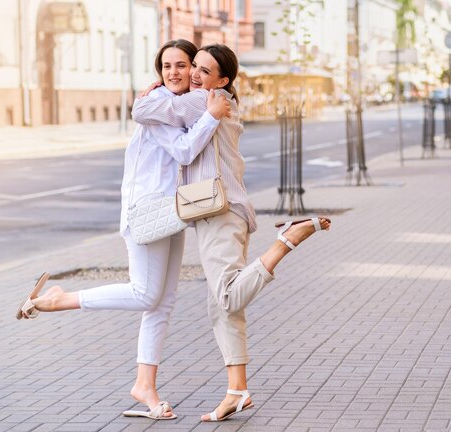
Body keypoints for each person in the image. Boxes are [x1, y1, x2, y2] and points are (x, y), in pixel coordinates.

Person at [15, 39, 230, 420]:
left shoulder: (179, 102)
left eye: (183, 64)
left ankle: (144, 386)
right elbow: (182, 151)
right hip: (146, 212)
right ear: (159, 71)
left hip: (171, 212)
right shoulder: (159, 107)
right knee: (145, 295)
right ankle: (60, 300)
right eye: (167, 66)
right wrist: (211, 116)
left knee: (163, 303)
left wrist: (208, 109)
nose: (176, 72)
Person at [132, 43, 331, 422]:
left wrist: (155, 89)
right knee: (222, 308)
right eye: (195, 67)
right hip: (226, 209)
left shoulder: (202, 100)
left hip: (218, 212)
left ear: (221, 80)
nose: (193, 75)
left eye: (203, 71)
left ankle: (289, 238)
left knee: (225, 296)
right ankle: (237, 392)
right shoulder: (215, 99)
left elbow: (140, 111)